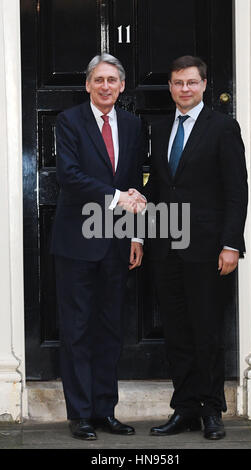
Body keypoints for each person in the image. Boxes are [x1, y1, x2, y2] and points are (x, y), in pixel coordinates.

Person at [144, 55, 248, 440]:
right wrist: (140, 235)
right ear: (170, 87)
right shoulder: (158, 128)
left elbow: (237, 192)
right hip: (166, 247)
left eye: (190, 82)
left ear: (204, 85)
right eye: (177, 83)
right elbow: (157, 188)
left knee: (206, 332)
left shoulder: (223, 128)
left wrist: (231, 244)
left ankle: (211, 410)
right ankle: (185, 408)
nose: (183, 89)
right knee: (177, 333)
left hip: (207, 249)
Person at [50, 53, 146, 440]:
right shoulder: (69, 121)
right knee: (76, 328)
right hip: (76, 242)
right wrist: (115, 197)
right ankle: (81, 414)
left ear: (122, 86)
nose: (105, 86)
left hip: (119, 243)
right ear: (88, 85)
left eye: (112, 80)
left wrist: (138, 234)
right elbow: (69, 176)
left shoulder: (133, 124)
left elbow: (139, 181)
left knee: (110, 329)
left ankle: (105, 410)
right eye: (98, 80)